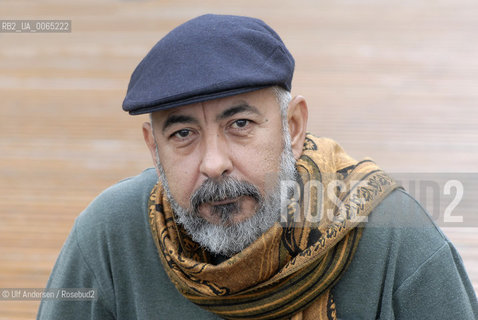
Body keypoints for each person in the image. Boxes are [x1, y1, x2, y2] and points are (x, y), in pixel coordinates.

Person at [37, 14, 478, 320]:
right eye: (183, 134)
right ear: (154, 149)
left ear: (293, 126)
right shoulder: (108, 236)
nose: (214, 164)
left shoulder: (396, 238)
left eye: (240, 124)